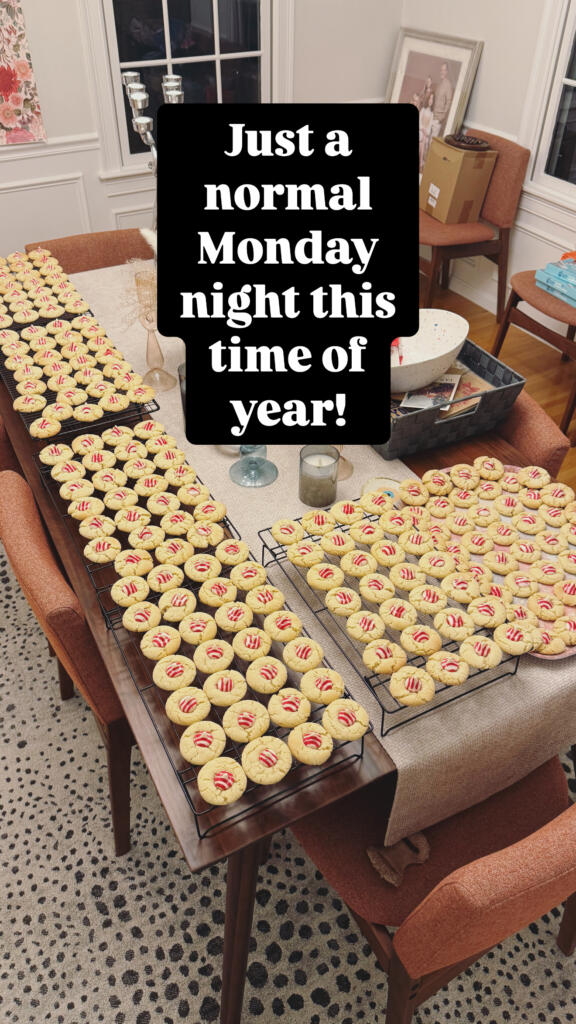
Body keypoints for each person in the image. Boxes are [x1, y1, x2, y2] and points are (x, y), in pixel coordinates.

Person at [432, 62, 454, 137]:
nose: (442, 72)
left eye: (444, 70)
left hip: (438, 118)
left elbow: (449, 101)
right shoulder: (439, 84)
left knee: (433, 140)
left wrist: (442, 117)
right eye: (441, 70)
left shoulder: (448, 84)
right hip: (432, 115)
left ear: (447, 72)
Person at [419, 93, 434, 170]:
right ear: (428, 99)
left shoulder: (431, 114)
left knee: (424, 142)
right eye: (430, 98)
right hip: (420, 130)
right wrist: (422, 129)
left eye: (432, 99)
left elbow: (430, 125)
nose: (431, 101)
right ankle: (420, 163)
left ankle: (421, 163)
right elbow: (419, 121)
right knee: (421, 140)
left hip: (425, 134)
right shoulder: (423, 110)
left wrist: (426, 132)